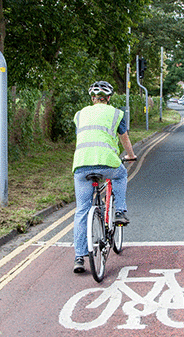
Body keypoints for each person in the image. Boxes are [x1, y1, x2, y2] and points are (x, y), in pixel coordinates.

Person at [71, 81, 136, 274]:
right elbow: (124, 138)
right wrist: (131, 156)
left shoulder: (80, 114)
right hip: (108, 162)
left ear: (92, 98)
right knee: (121, 176)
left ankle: (79, 258)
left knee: (82, 210)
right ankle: (120, 212)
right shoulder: (116, 113)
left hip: (81, 164)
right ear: (108, 98)